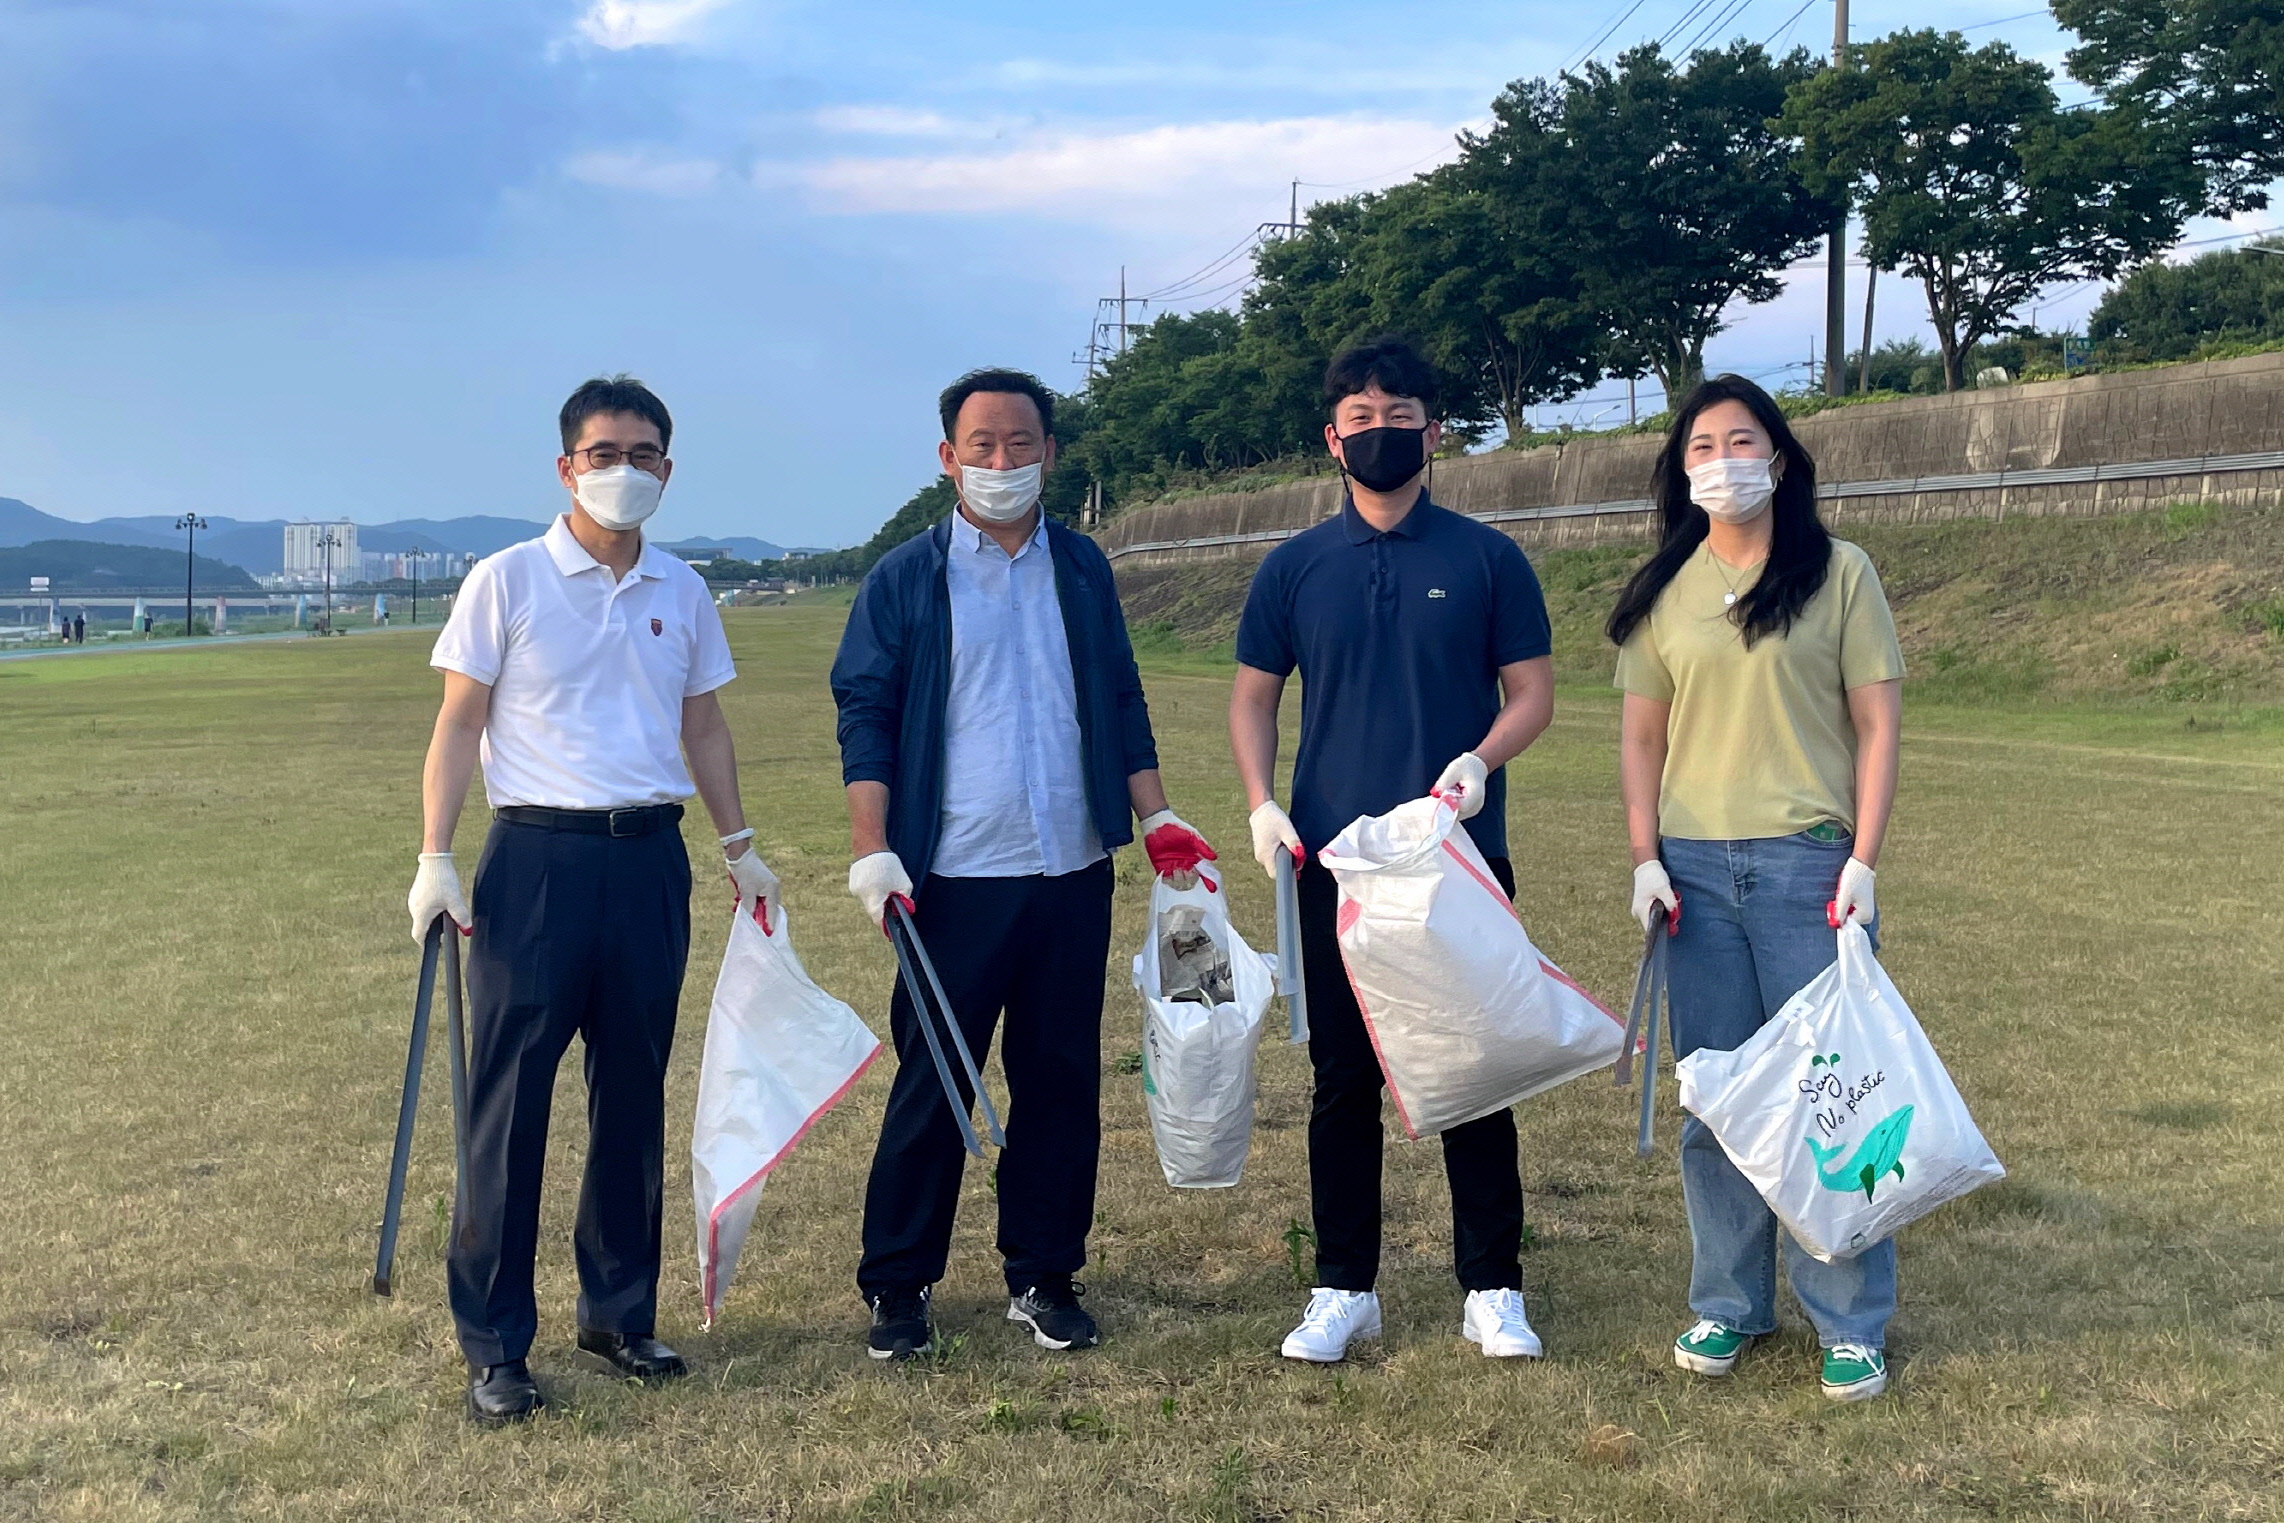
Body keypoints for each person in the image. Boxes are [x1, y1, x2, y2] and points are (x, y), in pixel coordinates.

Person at [408, 374, 781, 1425]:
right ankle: (495, 1341)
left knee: (632, 1095)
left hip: (646, 859)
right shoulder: (509, 578)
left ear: (668, 467)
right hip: (536, 858)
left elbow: (703, 726)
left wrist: (737, 843)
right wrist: (436, 854)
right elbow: (458, 721)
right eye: (604, 452)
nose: (625, 470)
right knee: (509, 1105)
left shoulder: (683, 589)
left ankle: (617, 1311)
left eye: (645, 453)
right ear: (567, 464)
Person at [830, 367, 1215, 1362]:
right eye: (983, 444)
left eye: (1022, 443)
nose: (1003, 462)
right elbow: (865, 716)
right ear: (948, 456)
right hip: (949, 878)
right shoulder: (904, 579)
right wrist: (874, 849)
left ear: (1050, 451)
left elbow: (1120, 696)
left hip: (1068, 869)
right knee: (936, 1079)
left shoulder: (1081, 567)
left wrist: (1157, 809)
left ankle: (1044, 1273)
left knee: (1056, 1079)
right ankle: (899, 1282)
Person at [1228, 338, 1557, 1364]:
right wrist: (1259, 800)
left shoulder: (1484, 557)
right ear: (1332, 439)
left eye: (1397, 413)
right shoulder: (1294, 567)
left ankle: (1491, 1285)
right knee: (1342, 1079)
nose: (1379, 433)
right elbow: (1252, 695)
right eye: (1358, 419)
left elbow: (1533, 690)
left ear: (1433, 428)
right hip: (1337, 867)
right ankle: (1343, 1284)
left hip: (1455, 857)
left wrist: (1480, 759)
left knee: (1473, 1070)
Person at [1608, 373, 1904, 1403]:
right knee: (1718, 1102)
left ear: (1778, 459)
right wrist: (1643, 855)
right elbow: (1641, 735)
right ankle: (1729, 1301)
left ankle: (1850, 1318)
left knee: (1836, 1097)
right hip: (1691, 872)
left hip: (1806, 867)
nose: (1721, 459)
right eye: (1700, 445)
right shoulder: (1664, 590)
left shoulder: (1841, 573)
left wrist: (1862, 857)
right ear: (1679, 468)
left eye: (1741, 440)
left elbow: (1876, 724)